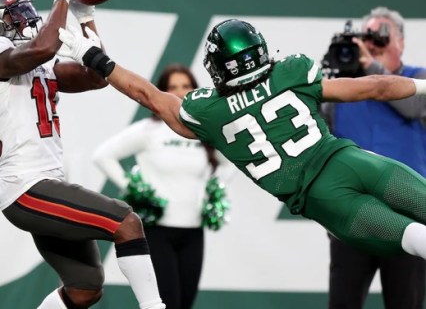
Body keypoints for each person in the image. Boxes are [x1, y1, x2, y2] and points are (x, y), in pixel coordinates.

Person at [58, 18, 426, 281]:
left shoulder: (208, 111)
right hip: (353, 161)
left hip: (321, 198)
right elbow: (376, 85)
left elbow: (148, 95)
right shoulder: (291, 71)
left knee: (414, 237)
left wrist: (96, 59)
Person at [0, 0, 165, 309]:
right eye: (13, 15)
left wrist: (85, 15)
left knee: (85, 287)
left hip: (43, 180)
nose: (24, 20)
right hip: (24, 186)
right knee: (126, 222)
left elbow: (96, 76)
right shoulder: (16, 57)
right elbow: (42, 48)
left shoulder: (35, 60)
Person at [93, 63, 232, 309]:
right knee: (167, 304)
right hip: (156, 232)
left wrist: (214, 190)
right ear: (162, 91)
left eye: (186, 86)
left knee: (185, 303)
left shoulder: (203, 131)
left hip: (193, 231)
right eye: (173, 87)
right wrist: (136, 190)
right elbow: (103, 155)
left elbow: (230, 159)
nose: (180, 92)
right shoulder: (148, 131)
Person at [323, 7, 426, 309]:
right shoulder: (343, 88)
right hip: (351, 216)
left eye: (381, 35)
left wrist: (372, 70)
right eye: (366, 37)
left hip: (406, 214)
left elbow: (413, 108)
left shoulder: (417, 78)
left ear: (402, 42)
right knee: (343, 303)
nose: (372, 44)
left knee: (405, 303)